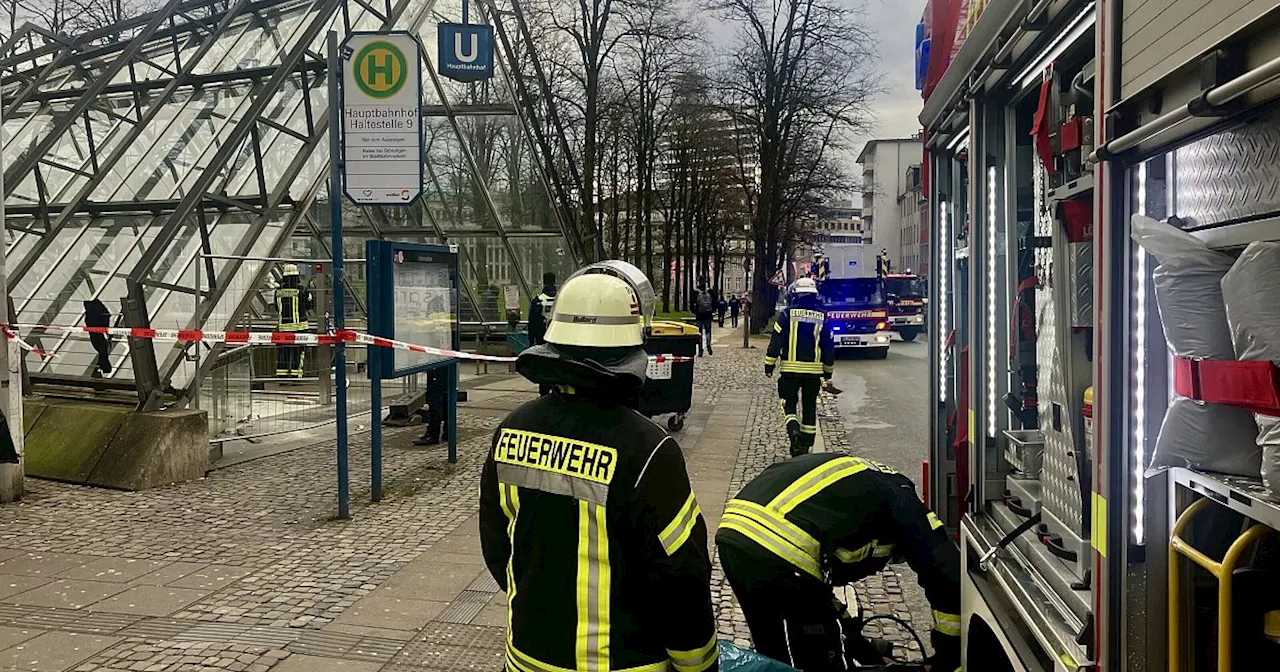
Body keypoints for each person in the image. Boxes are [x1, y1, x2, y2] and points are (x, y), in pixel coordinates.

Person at [479, 271, 719, 672]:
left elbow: (497, 547)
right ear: (633, 350)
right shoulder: (648, 449)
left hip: (527, 659)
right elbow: (681, 577)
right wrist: (699, 665)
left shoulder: (511, 430)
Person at [716, 454, 961, 672]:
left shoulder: (860, 490)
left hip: (734, 534)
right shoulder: (906, 508)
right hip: (781, 545)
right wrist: (947, 656)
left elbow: (824, 588)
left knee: (770, 647)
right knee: (819, 649)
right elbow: (945, 573)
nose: (885, 564)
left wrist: (855, 638)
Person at [764, 277, 834, 456]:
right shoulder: (823, 317)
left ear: (795, 294)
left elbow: (776, 342)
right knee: (810, 407)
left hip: (790, 371)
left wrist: (769, 365)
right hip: (813, 374)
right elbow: (828, 346)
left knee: (788, 404)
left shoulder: (786, 315)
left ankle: (793, 431)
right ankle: (806, 446)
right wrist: (827, 373)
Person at [275, 264, 312, 378]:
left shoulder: (278, 292)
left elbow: (277, 308)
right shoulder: (302, 291)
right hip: (299, 328)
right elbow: (309, 306)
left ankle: (281, 376)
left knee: (283, 354)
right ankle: (296, 375)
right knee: (298, 353)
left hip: (283, 329)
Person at [528, 272, 558, 396]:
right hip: (558, 339)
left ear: (544, 281)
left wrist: (531, 340)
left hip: (542, 339)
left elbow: (532, 322)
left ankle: (544, 392)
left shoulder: (539, 300)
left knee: (544, 366)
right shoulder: (560, 298)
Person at [413, 367, 449, 446]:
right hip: (444, 368)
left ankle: (432, 435)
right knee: (445, 398)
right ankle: (448, 432)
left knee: (436, 401)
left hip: (437, 369)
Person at [693, 280, 715, 357]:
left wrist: (695, 311)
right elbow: (714, 302)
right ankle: (708, 344)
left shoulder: (696, 292)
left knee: (699, 333)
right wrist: (712, 311)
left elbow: (692, 303)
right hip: (708, 315)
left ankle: (700, 349)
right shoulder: (710, 292)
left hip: (699, 315)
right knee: (708, 331)